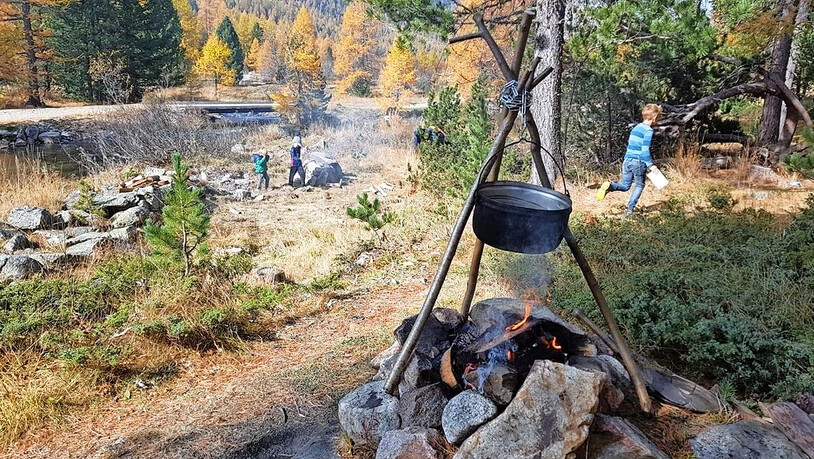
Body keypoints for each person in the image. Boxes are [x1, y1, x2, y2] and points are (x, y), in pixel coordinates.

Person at [596, 104, 663, 216]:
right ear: (655, 117)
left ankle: (610, 185)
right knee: (639, 185)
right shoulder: (648, 131)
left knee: (625, 185)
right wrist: (651, 165)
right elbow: (644, 150)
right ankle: (629, 210)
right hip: (638, 162)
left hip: (627, 160)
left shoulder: (636, 128)